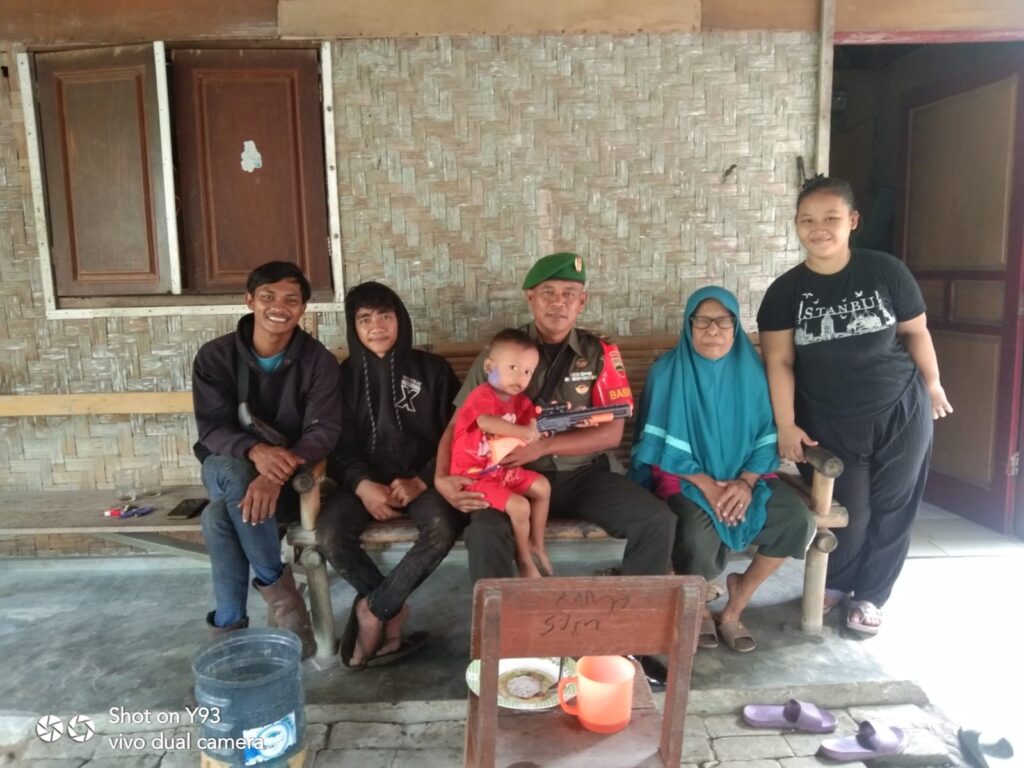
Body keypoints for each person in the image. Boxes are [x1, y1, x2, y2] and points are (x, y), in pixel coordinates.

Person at [757, 175, 953, 636]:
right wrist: (786, 424)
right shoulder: (785, 292)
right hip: (828, 420)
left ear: (853, 221)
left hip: (901, 408)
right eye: (807, 220)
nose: (818, 228)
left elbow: (915, 332)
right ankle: (836, 582)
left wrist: (933, 384)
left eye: (831, 218)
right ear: (796, 225)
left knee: (893, 507)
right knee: (852, 512)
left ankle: (871, 596)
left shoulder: (885, 272)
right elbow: (779, 362)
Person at [435, 251, 676, 583]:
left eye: (569, 293)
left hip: (582, 475)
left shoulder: (600, 353)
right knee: (484, 532)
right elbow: (457, 425)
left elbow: (611, 434)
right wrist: (441, 479)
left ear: (582, 301)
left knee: (657, 520)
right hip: (508, 475)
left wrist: (544, 446)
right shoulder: (502, 352)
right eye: (548, 292)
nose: (558, 302)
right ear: (530, 298)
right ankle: (502, 615)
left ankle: (636, 611)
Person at [630, 286, 815, 652]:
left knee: (797, 521)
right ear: (689, 325)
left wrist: (745, 482)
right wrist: (708, 485)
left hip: (749, 478)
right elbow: (656, 443)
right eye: (702, 321)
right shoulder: (667, 372)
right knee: (696, 536)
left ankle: (736, 603)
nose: (712, 329)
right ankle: (699, 607)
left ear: (735, 326)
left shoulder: (755, 373)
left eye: (723, 321)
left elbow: (767, 433)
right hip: (684, 479)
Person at [192, 261, 341, 659]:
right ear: (249, 301)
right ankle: (284, 600)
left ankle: (228, 636)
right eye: (268, 297)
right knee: (237, 476)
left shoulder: (318, 362)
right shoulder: (216, 357)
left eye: (291, 299)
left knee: (218, 517)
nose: (279, 307)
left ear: (303, 308)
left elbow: (324, 431)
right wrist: (256, 452)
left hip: (287, 477)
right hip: (225, 465)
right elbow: (211, 428)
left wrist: (274, 474)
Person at [316, 281, 462, 669]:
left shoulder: (433, 371)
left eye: (385, 315)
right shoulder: (342, 377)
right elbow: (334, 443)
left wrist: (423, 479)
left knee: (442, 526)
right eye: (365, 319)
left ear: (401, 320)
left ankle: (372, 611)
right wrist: (362, 484)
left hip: (424, 479)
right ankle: (391, 608)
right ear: (354, 327)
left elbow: (458, 434)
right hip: (363, 483)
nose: (376, 326)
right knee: (329, 535)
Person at [450, 328, 553, 578]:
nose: (521, 377)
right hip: (473, 474)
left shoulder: (521, 403)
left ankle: (536, 545)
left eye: (528, 371)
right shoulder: (482, 395)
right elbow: (485, 421)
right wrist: (524, 432)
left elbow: (534, 428)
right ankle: (524, 559)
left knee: (543, 487)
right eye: (513, 368)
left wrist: (543, 430)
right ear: (489, 366)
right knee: (520, 506)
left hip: (500, 471)